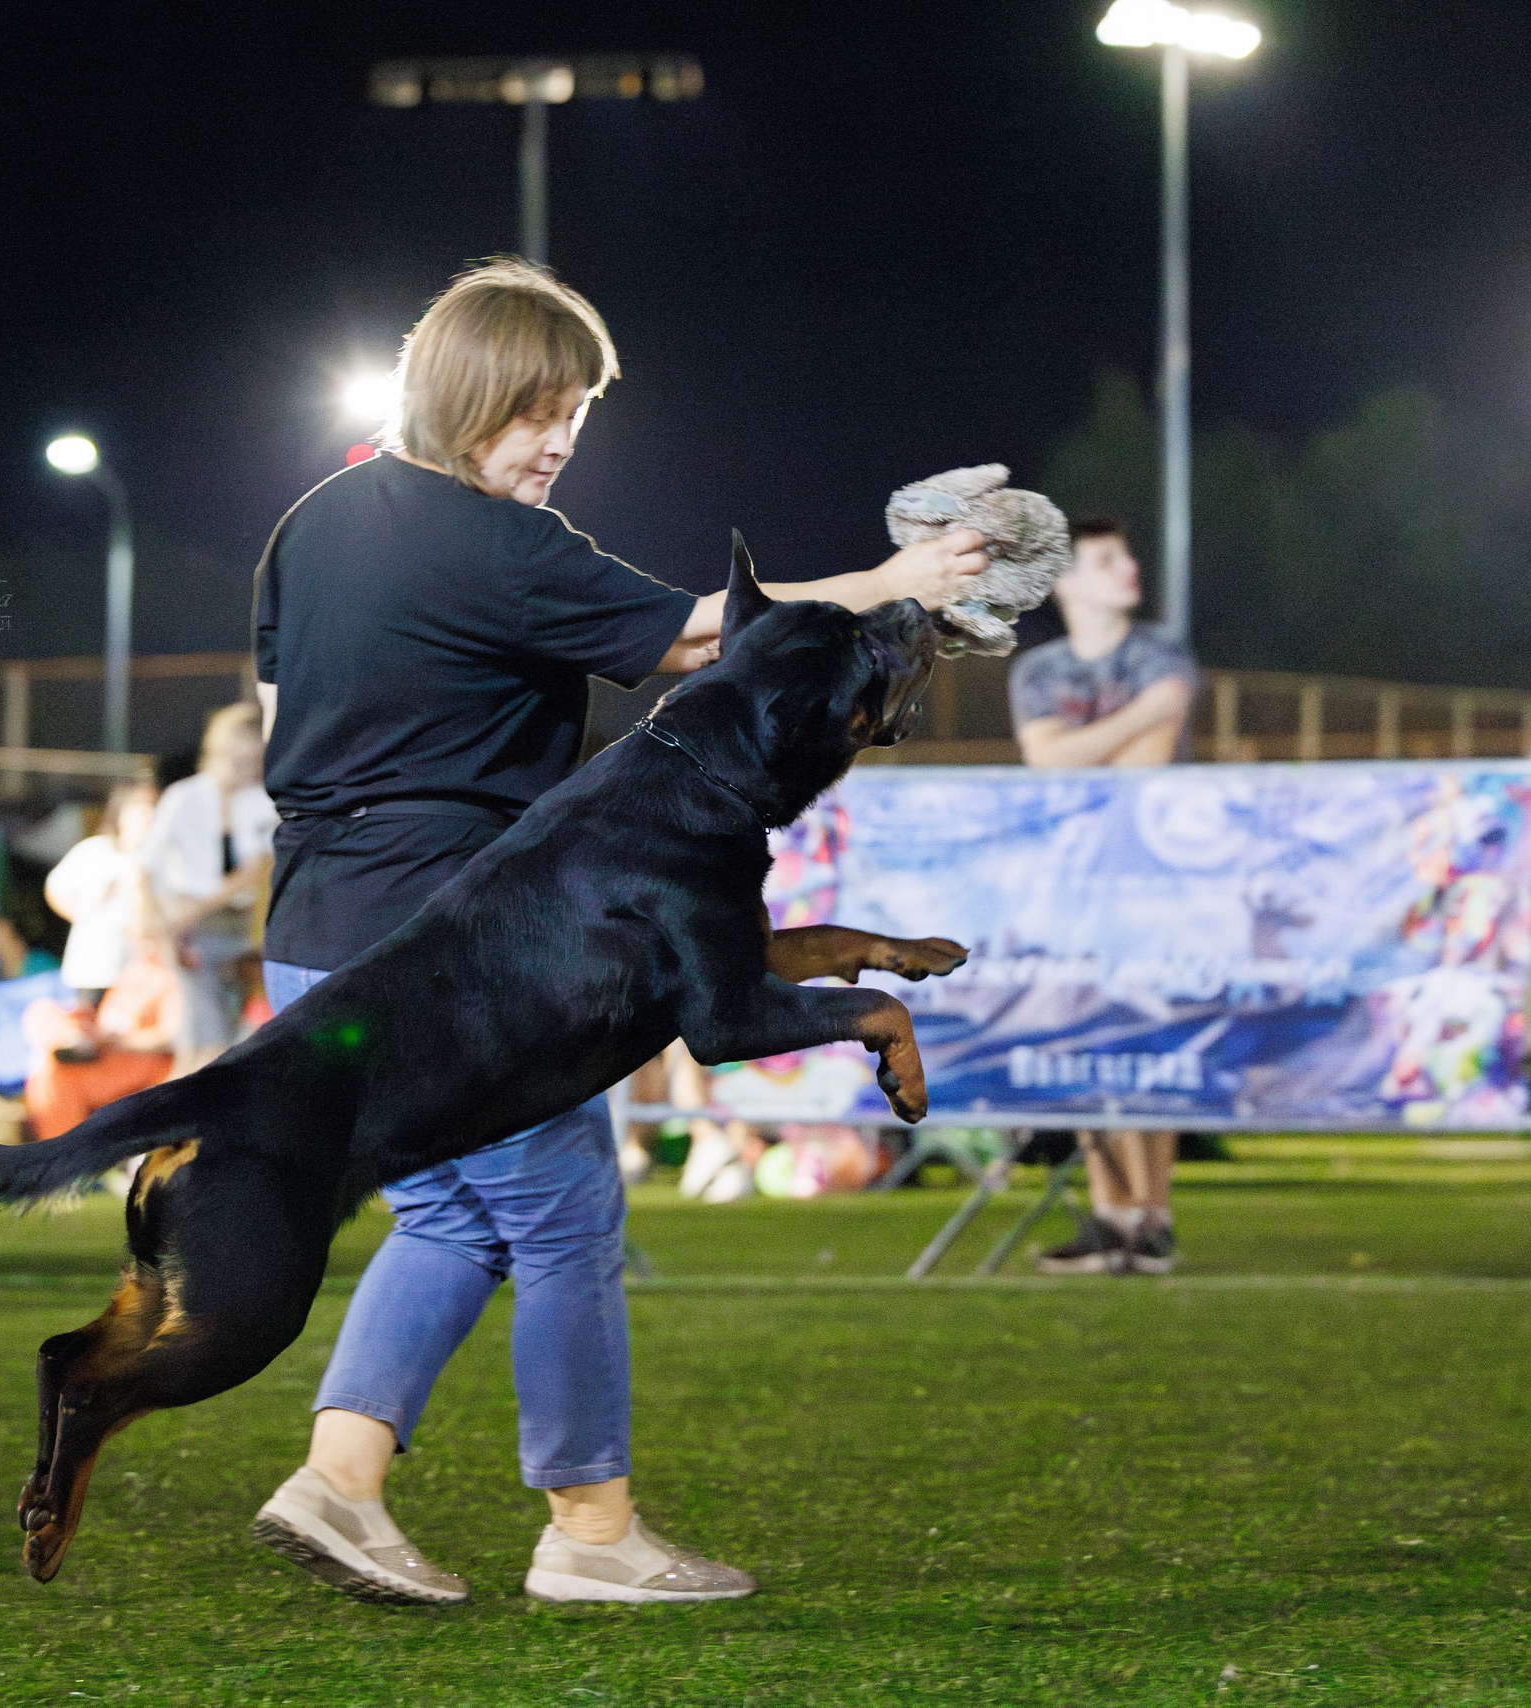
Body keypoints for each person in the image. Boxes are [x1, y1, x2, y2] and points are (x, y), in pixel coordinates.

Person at [245, 259, 986, 1605]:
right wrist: (896, 582)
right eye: (546, 408)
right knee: (570, 1212)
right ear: (473, 392)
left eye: (580, 410)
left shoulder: (314, 520)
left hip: (312, 931)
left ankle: (337, 1488)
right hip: (459, 947)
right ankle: (592, 1536)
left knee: (451, 1219)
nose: (565, 436)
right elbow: (707, 637)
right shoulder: (484, 538)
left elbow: (282, 700)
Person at [1009, 516, 1196, 1276]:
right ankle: (1110, 1212)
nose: (1128, 568)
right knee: (1084, 1041)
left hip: (1154, 880)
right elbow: (1045, 761)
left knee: (1150, 1042)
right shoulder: (1039, 669)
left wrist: (1078, 755)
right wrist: (1123, 731)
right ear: (1067, 582)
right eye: (1106, 559)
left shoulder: (1161, 651)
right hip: (1072, 884)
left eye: (1127, 554)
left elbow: (1145, 765)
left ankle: (1151, 1216)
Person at [141, 704, 276, 1065]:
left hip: (246, 934)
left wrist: (183, 917)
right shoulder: (184, 798)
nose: (251, 769)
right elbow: (144, 869)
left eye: (256, 761)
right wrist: (161, 925)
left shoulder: (261, 802)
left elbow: (254, 872)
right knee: (204, 1043)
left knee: (231, 1042)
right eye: (244, 760)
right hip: (196, 933)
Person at [20, 902, 180, 1140]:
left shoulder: (174, 976)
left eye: (148, 935)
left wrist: (118, 1041)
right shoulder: (136, 968)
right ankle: (71, 1040)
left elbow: (170, 1037)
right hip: (102, 1046)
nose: (141, 941)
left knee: (55, 1078)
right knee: (40, 1012)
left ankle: (68, 1166)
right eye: (137, 934)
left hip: (137, 1060)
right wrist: (85, 1023)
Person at [46, 778, 159, 1004]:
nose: (148, 816)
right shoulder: (95, 851)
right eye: (141, 809)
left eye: (153, 808)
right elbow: (55, 889)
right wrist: (86, 916)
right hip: (93, 970)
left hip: (138, 973)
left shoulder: (158, 860)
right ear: (122, 812)